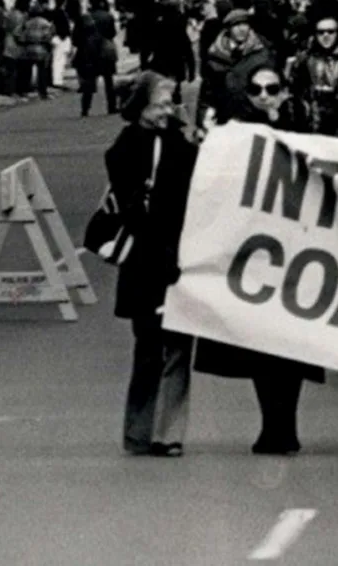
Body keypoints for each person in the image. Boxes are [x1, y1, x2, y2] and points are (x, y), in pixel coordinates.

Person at [193, 64, 323, 454]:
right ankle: (272, 424)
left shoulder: (302, 128)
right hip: (255, 254)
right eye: (256, 89)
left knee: (292, 345)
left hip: (299, 252)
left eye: (273, 88)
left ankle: (288, 424)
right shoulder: (234, 137)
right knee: (260, 345)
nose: (265, 95)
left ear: (285, 91)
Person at [106, 72, 197, 458]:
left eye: (170, 102)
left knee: (176, 346)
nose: (167, 110)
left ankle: (163, 432)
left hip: (175, 256)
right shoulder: (128, 147)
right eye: (160, 103)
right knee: (150, 347)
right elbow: (135, 203)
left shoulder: (179, 141)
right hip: (148, 261)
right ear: (140, 108)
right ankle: (144, 430)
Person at [74, 0, 121, 117]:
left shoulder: (84, 18)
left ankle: (85, 108)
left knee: (89, 81)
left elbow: (76, 37)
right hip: (105, 51)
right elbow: (112, 33)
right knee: (109, 81)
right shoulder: (108, 17)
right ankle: (112, 106)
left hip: (88, 52)